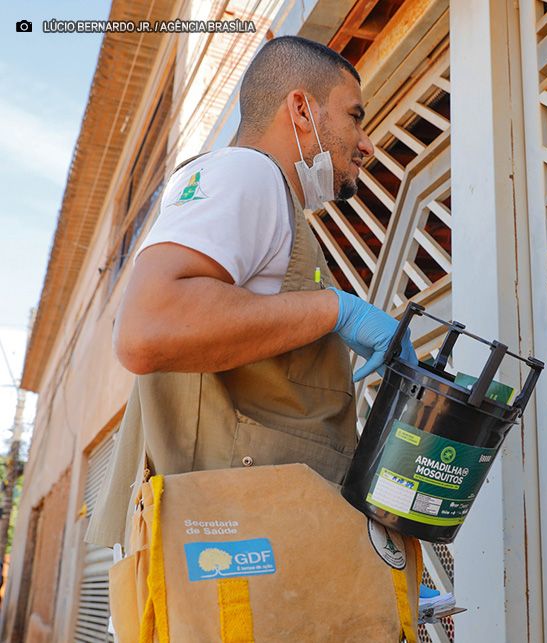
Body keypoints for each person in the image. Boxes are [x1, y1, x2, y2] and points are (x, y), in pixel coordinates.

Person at [85, 35, 420, 629]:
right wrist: (335, 311)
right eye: (354, 115)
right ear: (300, 109)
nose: (368, 143)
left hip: (255, 571)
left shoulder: (268, 199)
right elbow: (149, 326)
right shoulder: (245, 173)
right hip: (227, 572)